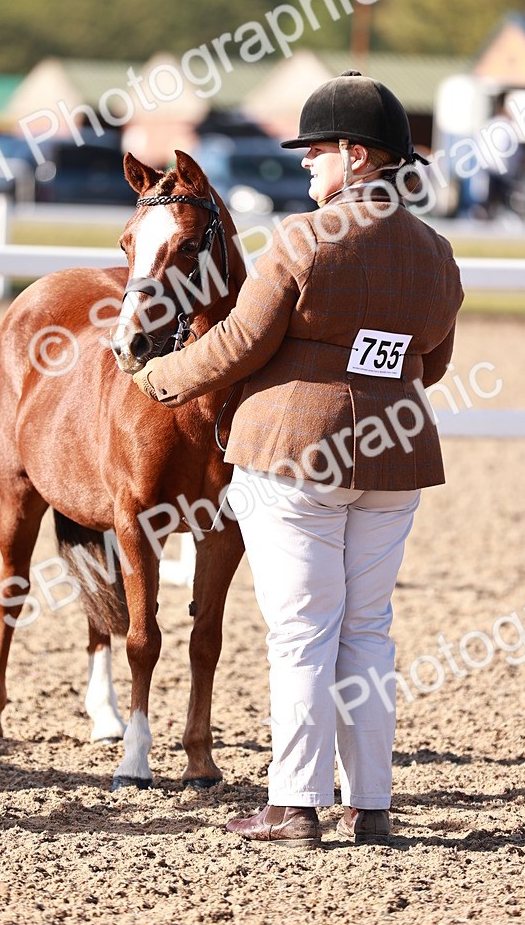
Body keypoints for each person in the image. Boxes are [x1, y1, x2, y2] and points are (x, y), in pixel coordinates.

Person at [130, 71, 464, 847]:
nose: (307, 167)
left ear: (358, 155)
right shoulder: (436, 252)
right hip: (392, 459)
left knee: (302, 632)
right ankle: (371, 805)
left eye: (317, 153)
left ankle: (294, 806)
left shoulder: (302, 239)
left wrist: (161, 378)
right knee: (369, 629)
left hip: (294, 457)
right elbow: (434, 363)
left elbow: (241, 344)